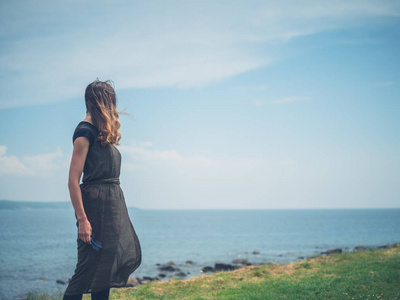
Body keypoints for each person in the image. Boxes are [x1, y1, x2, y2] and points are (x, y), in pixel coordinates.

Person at [63, 79, 142, 300]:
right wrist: (83, 220)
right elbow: (72, 181)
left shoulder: (101, 134)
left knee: (103, 274)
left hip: (112, 211)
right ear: (101, 102)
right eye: (110, 102)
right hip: (95, 211)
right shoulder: (84, 133)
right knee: (85, 271)